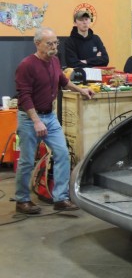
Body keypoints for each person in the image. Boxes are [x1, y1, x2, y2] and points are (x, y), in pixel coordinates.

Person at [14, 27, 95, 214]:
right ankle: (22, 200)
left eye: (56, 43)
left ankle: (60, 198)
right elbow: (24, 96)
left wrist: (81, 90)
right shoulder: (26, 65)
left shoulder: (55, 61)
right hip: (30, 118)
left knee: (62, 154)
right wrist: (36, 121)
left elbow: (63, 81)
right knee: (27, 161)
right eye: (49, 43)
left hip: (49, 117)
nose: (54, 47)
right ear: (37, 44)